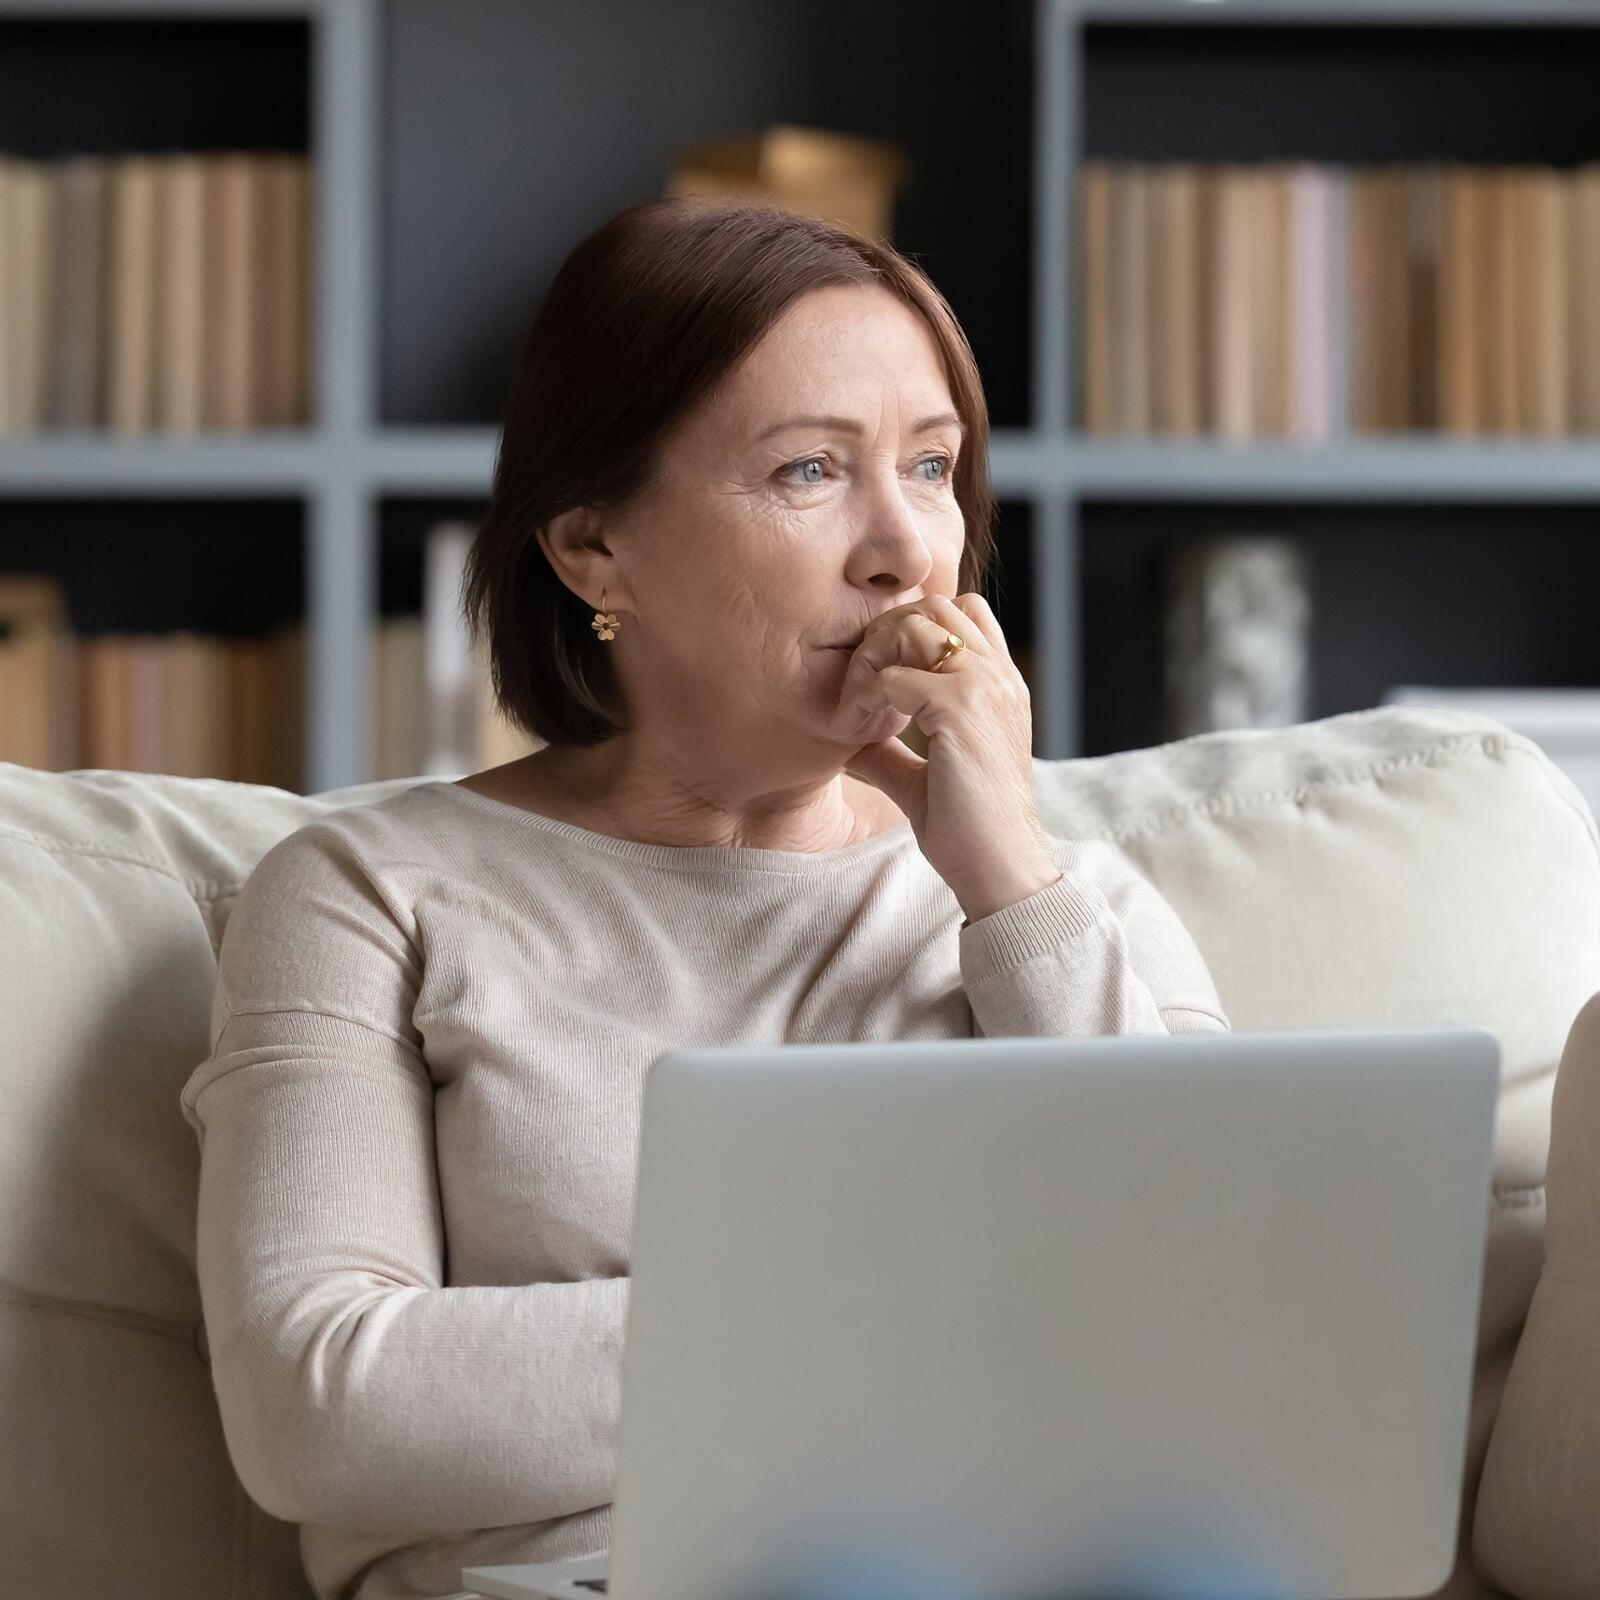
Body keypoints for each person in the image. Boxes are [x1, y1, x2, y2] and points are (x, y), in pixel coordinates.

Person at [179, 195, 1231, 1600]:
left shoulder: (1057, 899)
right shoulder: (368, 896)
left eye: (930, 467)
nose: (906, 550)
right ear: (592, 550)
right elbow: (320, 1408)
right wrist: (945, 1324)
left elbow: (1218, 1345)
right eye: (810, 472)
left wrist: (1008, 887)